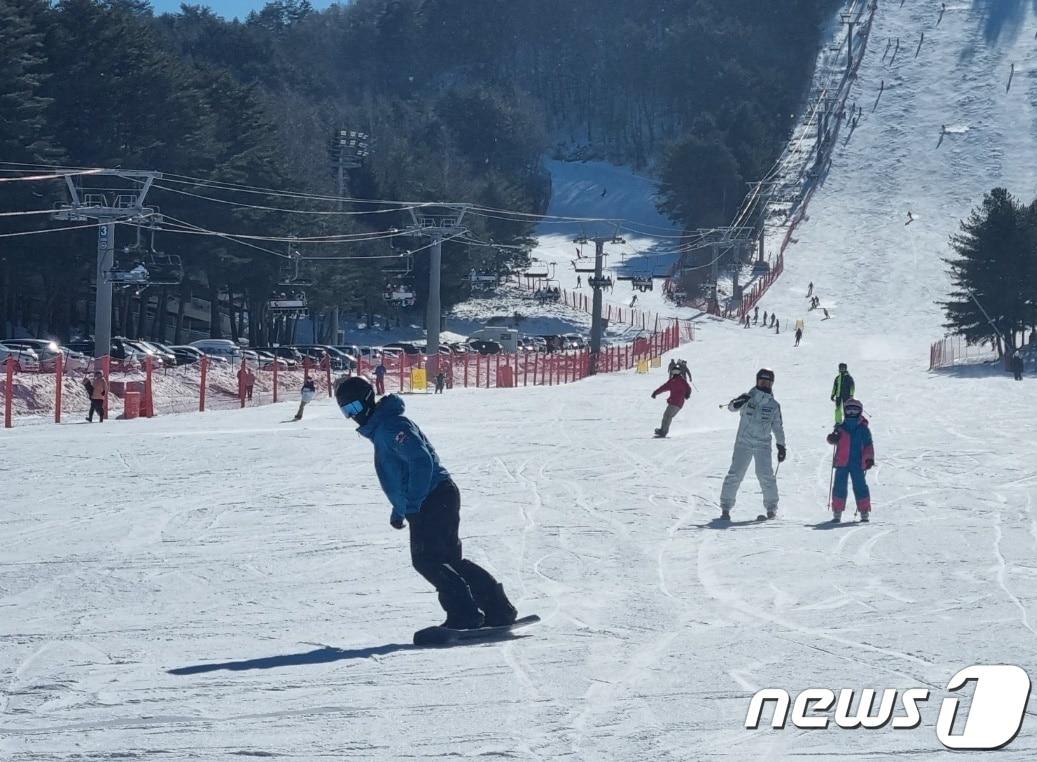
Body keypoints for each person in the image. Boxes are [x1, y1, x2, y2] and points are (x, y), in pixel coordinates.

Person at [335, 376, 518, 630]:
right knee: (449, 561)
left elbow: (421, 462)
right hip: (434, 497)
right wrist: (399, 509)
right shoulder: (383, 428)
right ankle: (497, 610)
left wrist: (412, 505)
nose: (353, 416)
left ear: (367, 400)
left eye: (354, 408)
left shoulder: (391, 427)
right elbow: (403, 475)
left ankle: (465, 614)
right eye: (346, 411)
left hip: (433, 498)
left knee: (427, 560)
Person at [720, 368, 786, 520]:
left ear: (772, 384)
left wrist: (781, 445)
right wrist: (737, 402)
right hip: (744, 443)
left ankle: (771, 508)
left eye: (767, 382)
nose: (764, 384)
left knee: (766, 475)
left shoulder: (774, 405)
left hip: (763, 445)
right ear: (757, 381)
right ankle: (725, 508)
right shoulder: (748, 398)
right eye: (761, 381)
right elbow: (731, 408)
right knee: (735, 474)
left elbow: (778, 426)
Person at [825, 399, 874, 522]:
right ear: (845, 412)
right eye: (849, 410)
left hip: (857, 463)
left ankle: (864, 511)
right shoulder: (841, 428)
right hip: (842, 462)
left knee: (860, 486)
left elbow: (868, 445)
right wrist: (833, 438)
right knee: (839, 486)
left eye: (855, 410)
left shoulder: (863, 429)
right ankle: (837, 511)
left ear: (860, 412)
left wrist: (868, 458)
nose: (852, 413)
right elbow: (833, 439)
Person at [652, 362, 692, 438]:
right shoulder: (673, 381)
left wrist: (687, 394)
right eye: (673, 371)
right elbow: (663, 387)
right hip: (675, 402)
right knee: (666, 415)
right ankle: (663, 430)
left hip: (677, 402)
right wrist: (655, 392)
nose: (674, 373)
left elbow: (688, 389)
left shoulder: (681, 381)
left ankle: (664, 431)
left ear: (678, 372)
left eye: (676, 372)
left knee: (668, 415)